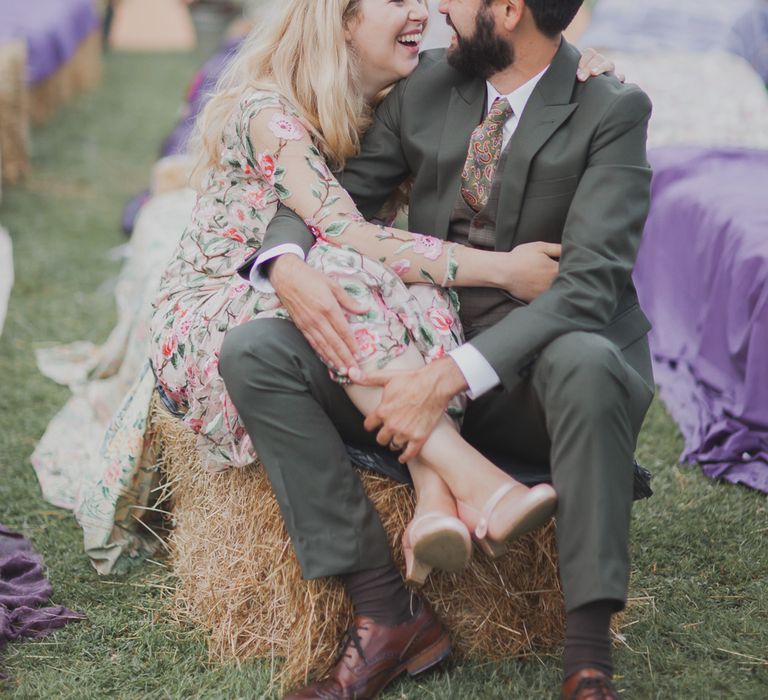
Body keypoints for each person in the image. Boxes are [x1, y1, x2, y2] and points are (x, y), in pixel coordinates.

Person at [219, 1, 655, 698]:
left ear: (508, 11)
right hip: (420, 343)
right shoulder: (426, 85)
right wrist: (286, 263)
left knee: (589, 360)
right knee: (255, 351)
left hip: (536, 383)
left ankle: (588, 659)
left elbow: (588, 288)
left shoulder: (612, 109)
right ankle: (388, 615)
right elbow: (335, 198)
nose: (440, 6)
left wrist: (448, 379)